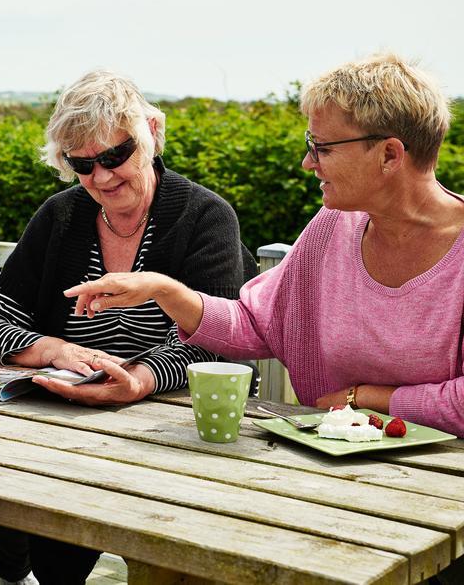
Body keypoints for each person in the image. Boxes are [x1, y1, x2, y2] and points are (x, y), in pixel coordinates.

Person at [65, 53, 464, 436]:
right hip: (331, 466)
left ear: (390, 155)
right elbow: (255, 323)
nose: (308, 163)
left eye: (321, 148)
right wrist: (161, 289)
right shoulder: (331, 228)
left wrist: (369, 399)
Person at [0, 70, 255, 585]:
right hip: (60, 435)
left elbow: (218, 345)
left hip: (168, 440)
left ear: (152, 132)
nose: (101, 177)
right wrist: (53, 349)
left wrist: (139, 379)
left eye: (115, 157)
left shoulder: (206, 217)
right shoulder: (60, 216)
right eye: (82, 165)